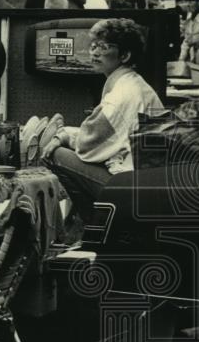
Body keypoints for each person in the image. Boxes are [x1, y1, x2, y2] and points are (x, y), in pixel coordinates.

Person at [43, 18, 164, 220]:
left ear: (125, 55)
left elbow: (87, 144)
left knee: (56, 155)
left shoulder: (120, 96)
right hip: (149, 180)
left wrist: (61, 136)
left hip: (134, 188)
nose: (95, 52)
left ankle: (95, 228)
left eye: (104, 47)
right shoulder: (134, 83)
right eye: (93, 46)